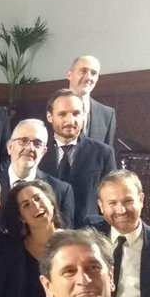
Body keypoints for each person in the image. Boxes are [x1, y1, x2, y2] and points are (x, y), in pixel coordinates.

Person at [38, 88, 117, 228]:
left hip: (88, 234)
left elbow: (111, 199)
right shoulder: (37, 151)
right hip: (44, 232)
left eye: (76, 113)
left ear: (84, 115)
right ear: (50, 117)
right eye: (62, 114)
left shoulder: (103, 153)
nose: (70, 120)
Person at [0, 119, 75, 227]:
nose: (30, 148)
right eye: (23, 140)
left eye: (37, 143)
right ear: (10, 147)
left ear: (43, 152)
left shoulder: (61, 191)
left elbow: (65, 240)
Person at [66, 55, 116, 147]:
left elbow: (107, 155)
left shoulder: (107, 114)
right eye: (83, 71)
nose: (88, 77)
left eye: (93, 73)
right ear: (69, 75)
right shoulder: (52, 107)